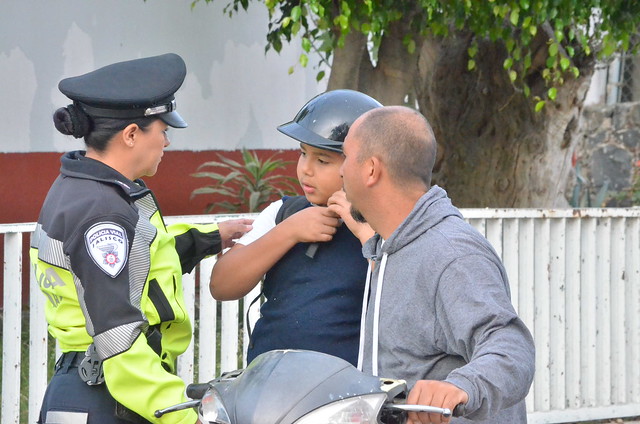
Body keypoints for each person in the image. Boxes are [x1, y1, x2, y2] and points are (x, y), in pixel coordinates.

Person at [30, 53, 253, 424]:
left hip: (90, 387)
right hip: (112, 394)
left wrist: (212, 237)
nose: (167, 142)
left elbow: (138, 264)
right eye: (163, 130)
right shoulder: (104, 212)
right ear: (132, 134)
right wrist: (184, 417)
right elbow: (118, 336)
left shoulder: (82, 186)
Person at [340, 105, 535, 424]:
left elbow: (510, 347)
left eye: (346, 157)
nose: (340, 171)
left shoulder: (451, 254)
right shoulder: (390, 248)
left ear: (371, 170)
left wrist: (463, 386)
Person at [209, 89, 380, 366]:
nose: (306, 169)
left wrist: (363, 232)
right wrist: (289, 231)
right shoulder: (282, 213)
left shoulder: (383, 226)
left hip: (347, 393)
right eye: (303, 154)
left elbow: (403, 298)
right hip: (270, 381)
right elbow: (222, 286)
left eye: (322, 160)